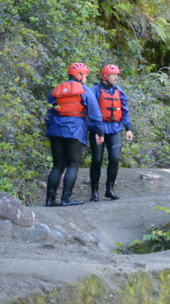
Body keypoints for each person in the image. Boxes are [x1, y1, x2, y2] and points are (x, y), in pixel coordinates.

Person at [44, 62, 104, 206]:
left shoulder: (56, 89)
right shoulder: (85, 90)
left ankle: (50, 200)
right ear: (79, 75)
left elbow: (48, 113)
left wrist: (52, 127)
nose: (86, 79)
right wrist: (99, 131)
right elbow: (95, 114)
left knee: (57, 165)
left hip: (55, 130)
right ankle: (66, 199)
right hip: (74, 131)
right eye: (85, 76)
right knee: (72, 165)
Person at [89, 64, 133, 201]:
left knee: (114, 158)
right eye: (113, 75)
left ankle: (110, 189)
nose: (116, 77)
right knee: (97, 160)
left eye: (117, 75)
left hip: (115, 129)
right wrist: (95, 129)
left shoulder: (119, 91)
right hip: (98, 129)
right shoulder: (95, 91)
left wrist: (128, 128)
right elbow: (90, 112)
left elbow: (124, 111)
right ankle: (94, 191)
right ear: (104, 76)